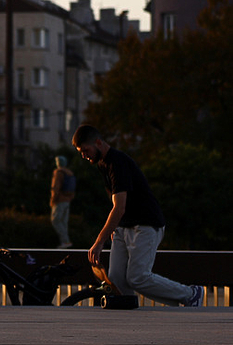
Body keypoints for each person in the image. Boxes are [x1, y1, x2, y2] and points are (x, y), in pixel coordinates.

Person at [72, 124, 203, 306]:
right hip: (124, 227)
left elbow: (120, 207)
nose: (84, 155)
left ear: (98, 142)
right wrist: (114, 227)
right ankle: (129, 316)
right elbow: (114, 200)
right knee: (116, 280)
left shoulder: (118, 162)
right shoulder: (102, 164)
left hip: (146, 224)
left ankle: (190, 294)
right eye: (80, 152)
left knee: (137, 277)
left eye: (85, 150)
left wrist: (99, 241)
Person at [50, 155, 75, 249]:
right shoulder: (69, 173)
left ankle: (65, 241)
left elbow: (55, 187)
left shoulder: (58, 172)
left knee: (55, 220)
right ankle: (65, 241)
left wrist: (53, 200)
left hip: (59, 200)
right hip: (67, 200)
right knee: (63, 221)